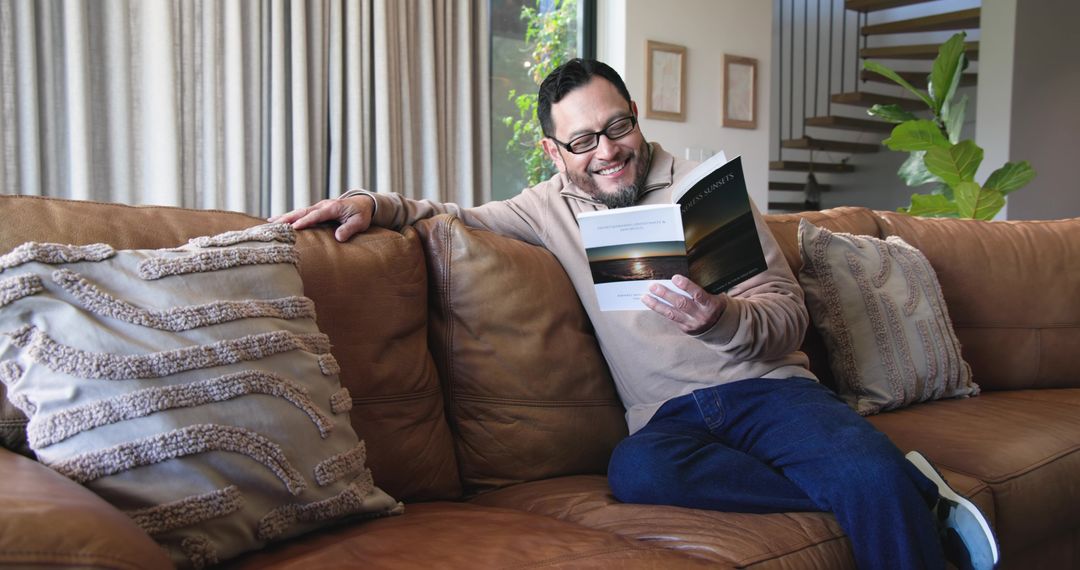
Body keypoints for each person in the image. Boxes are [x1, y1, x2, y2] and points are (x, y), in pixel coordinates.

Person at [272, 58, 998, 570]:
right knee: (637, 472)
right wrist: (370, 203)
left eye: (617, 126)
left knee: (857, 468)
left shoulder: (704, 191)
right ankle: (897, 488)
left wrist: (719, 316)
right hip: (667, 420)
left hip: (769, 392)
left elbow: (785, 314)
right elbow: (446, 212)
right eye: (583, 140)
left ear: (636, 120)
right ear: (555, 151)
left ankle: (876, 484)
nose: (608, 151)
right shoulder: (545, 207)